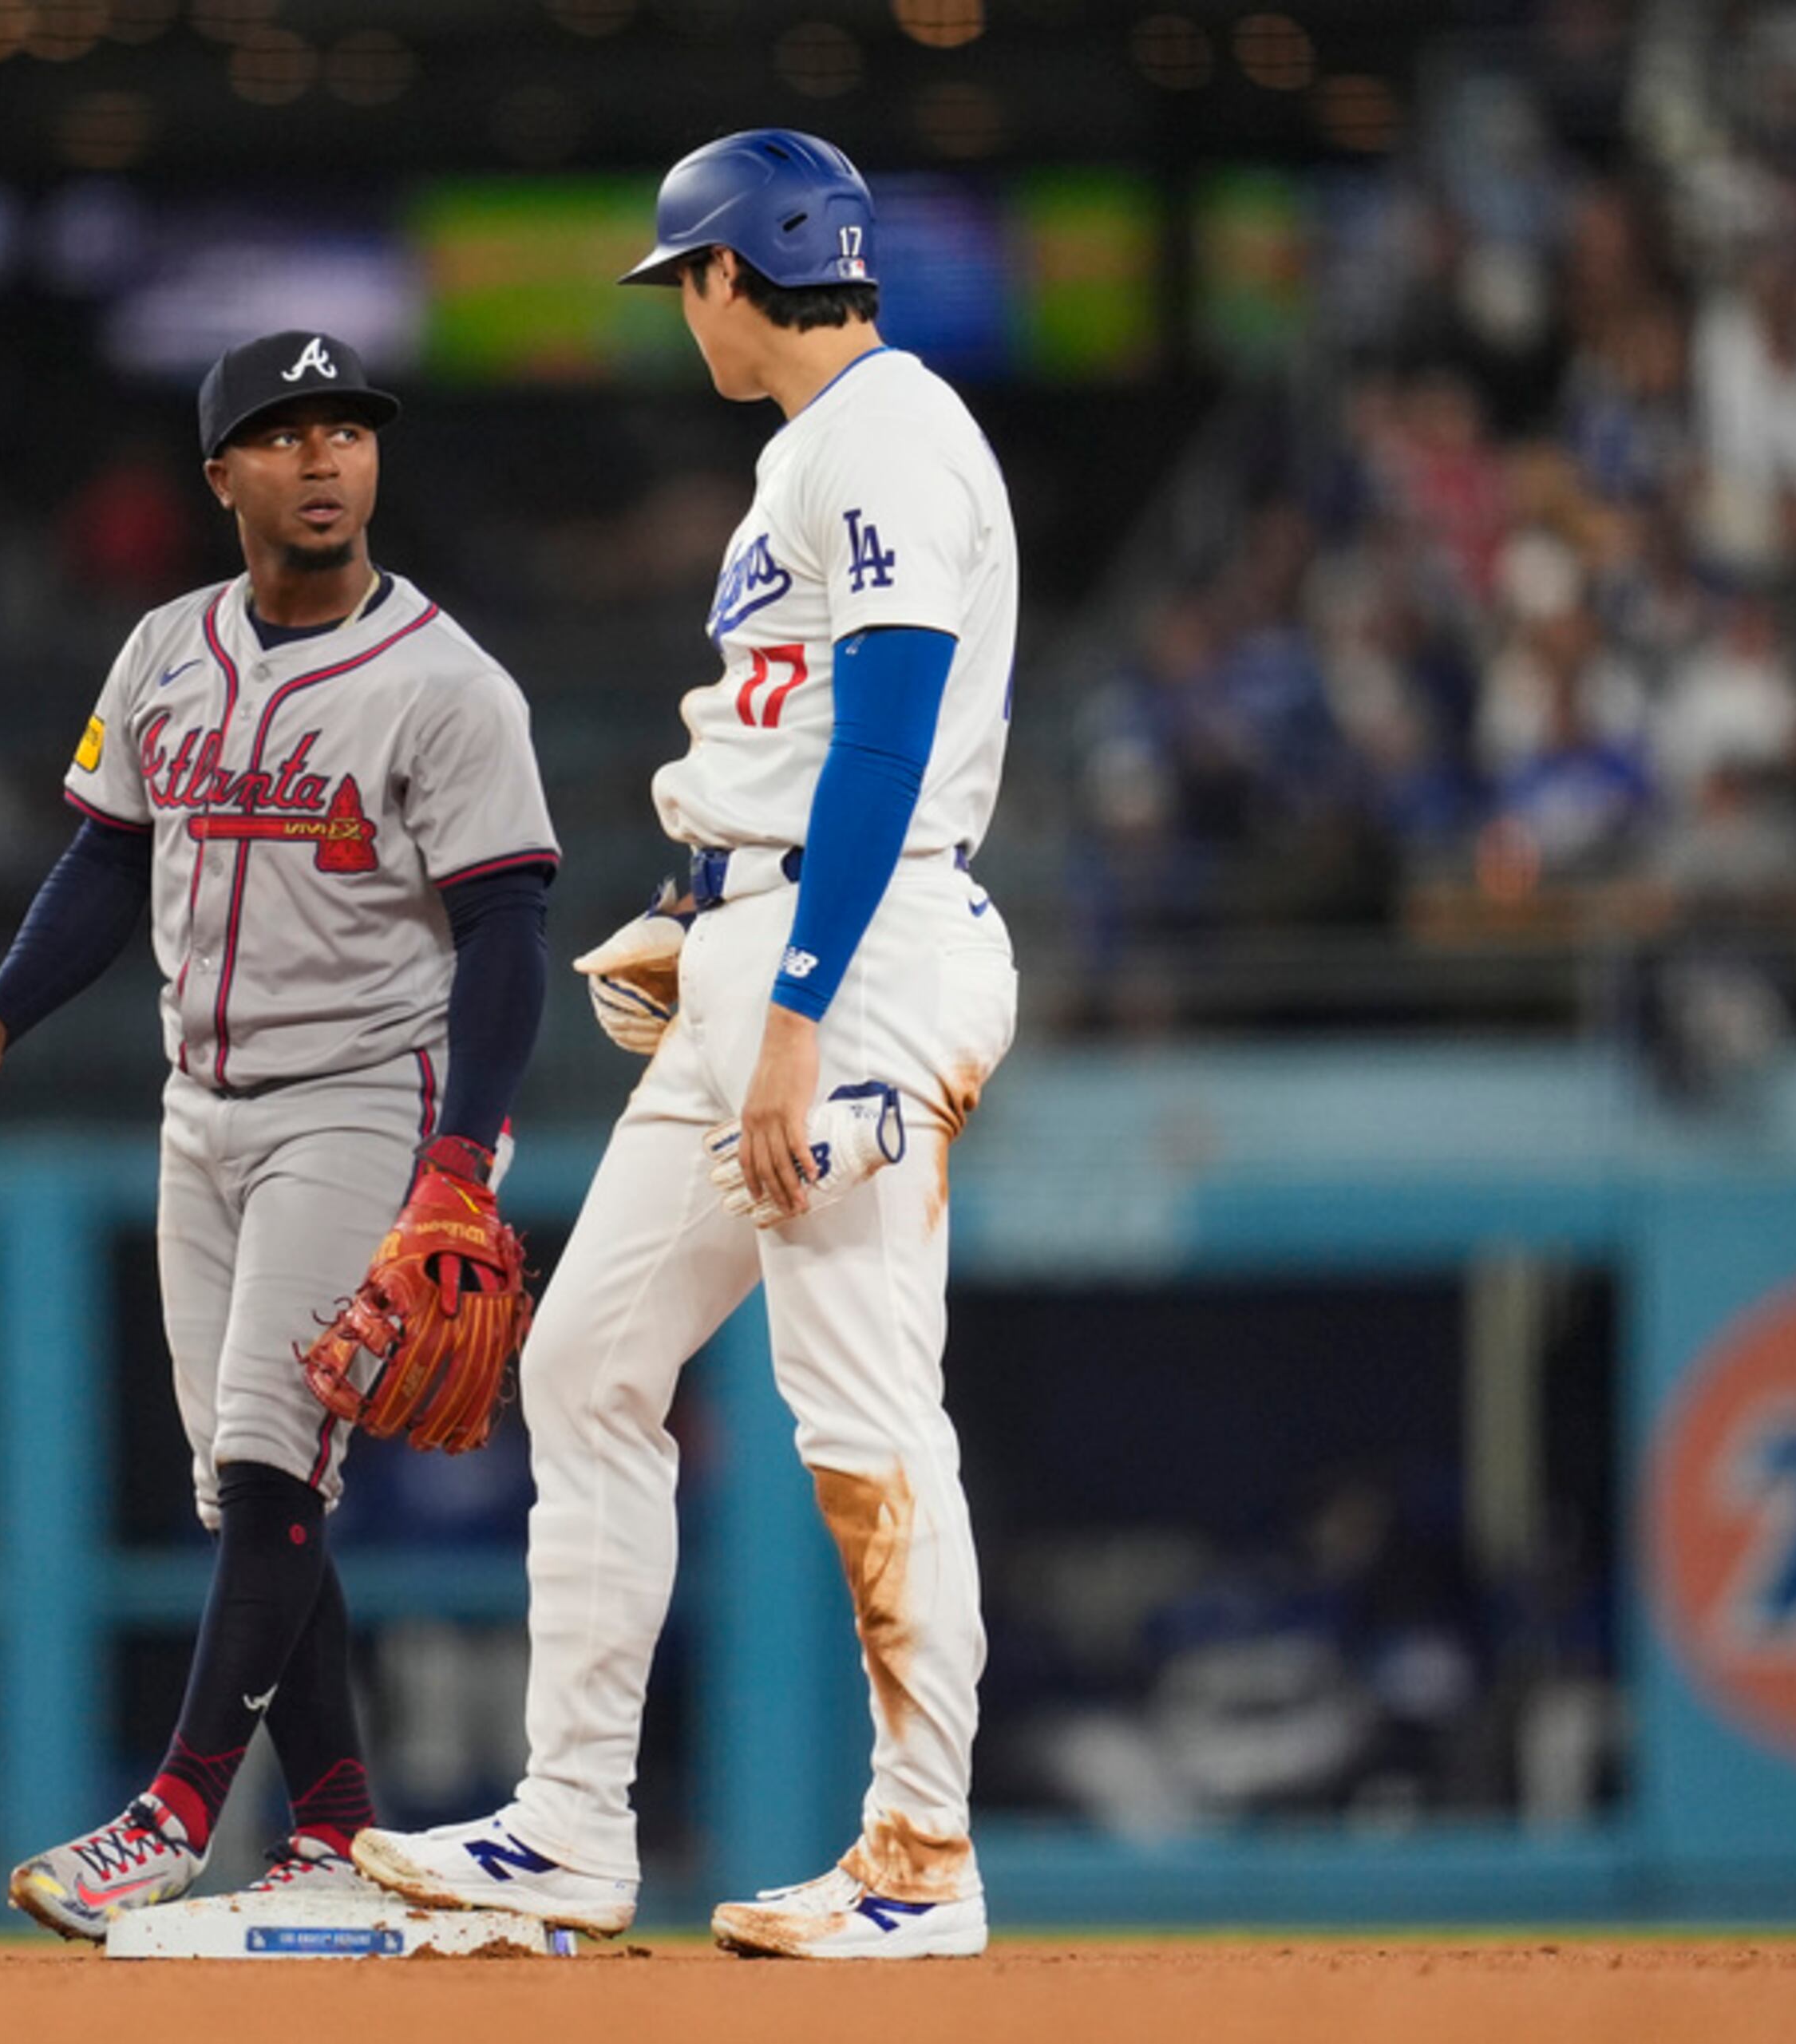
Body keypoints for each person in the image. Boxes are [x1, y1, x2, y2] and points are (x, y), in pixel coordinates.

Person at [350, 130, 1019, 1959]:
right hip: (778, 933)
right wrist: (704, 909)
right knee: (583, 1368)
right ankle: (567, 1830)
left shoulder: (881, 430)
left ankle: (920, 1855)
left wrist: (791, 1002)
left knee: (863, 1408)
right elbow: (802, 736)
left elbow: (883, 741)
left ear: (736, 274)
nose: (684, 321)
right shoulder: (818, 452)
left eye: (686, 286)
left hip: (858, 954)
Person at [0, 330, 558, 1939]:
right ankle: (338, 1830)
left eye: (349, 429)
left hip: (362, 1096)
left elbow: (510, 932)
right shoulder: (163, 651)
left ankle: (177, 1808)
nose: (325, 457)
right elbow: (106, 862)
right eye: (286, 434)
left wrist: (460, 1160)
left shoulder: (448, 682)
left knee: (274, 1450)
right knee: (260, 1493)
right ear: (223, 478)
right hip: (200, 1105)